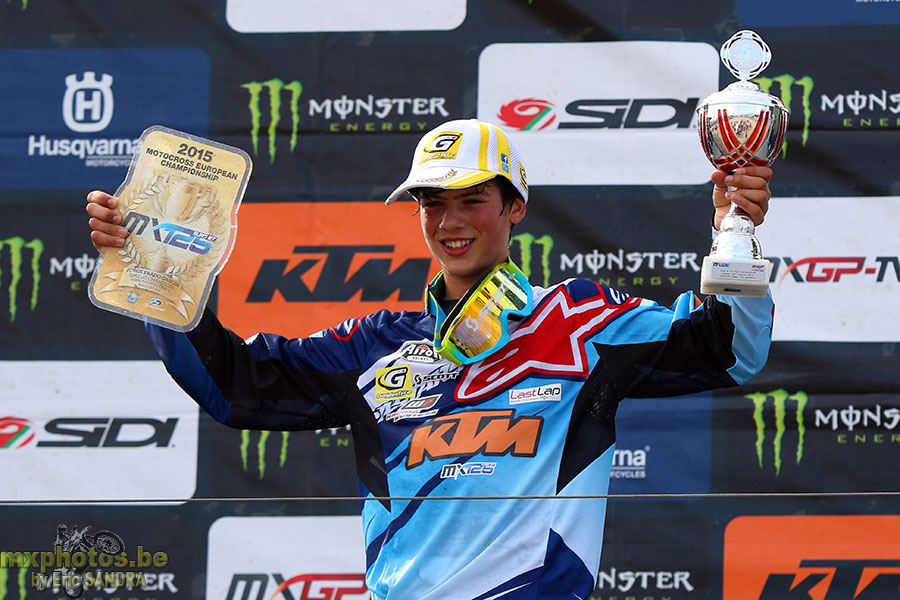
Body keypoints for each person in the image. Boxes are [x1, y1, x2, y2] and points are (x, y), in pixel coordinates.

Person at [86, 118, 774, 600]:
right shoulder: (374, 345)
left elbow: (729, 352)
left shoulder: (580, 322)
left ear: (515, 207)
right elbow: (234, 388)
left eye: (473, 200)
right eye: (431, 203)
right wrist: (155, 272)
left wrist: (732, 235)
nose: (450, 222)